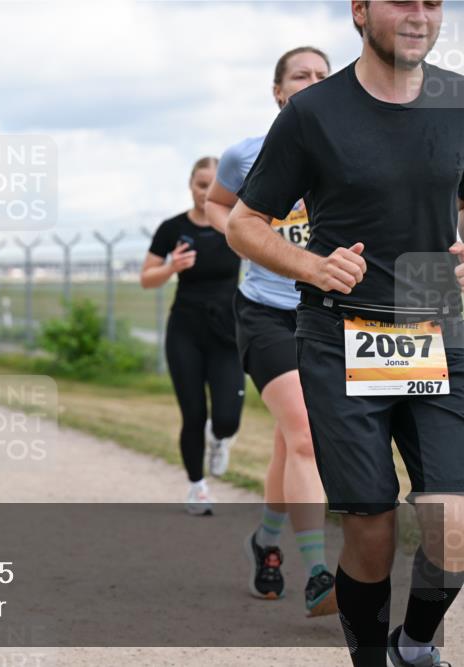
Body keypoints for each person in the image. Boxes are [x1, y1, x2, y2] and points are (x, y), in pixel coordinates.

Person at [227, 2, 464, 664]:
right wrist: (312, 265)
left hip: (436, 318)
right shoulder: (314, 114)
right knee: (372, 528)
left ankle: (415, 644)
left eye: (433, 2)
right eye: (402, 1)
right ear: (360, 10)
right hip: (342, 331)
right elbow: (245, 223)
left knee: (456, 524)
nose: (420, 14)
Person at [206, 46, 337, 616]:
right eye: (300, 75)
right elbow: (219, 204)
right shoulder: (247, 154)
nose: (311, 82)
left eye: (322, 76)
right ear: (278, 91)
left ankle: (265, 541)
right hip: (265, 310)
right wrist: (250, 242)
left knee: (290, 442)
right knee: (306, 435)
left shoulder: (345, 152)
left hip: (324, 312)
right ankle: (318, 574)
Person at [141, 157, 244, 517]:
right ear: (191, 185)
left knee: (228, 417)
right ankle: (197, 487)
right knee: (193, 413)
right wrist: (172, 267)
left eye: (214, 184)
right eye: (201, 185)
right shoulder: (172, 228)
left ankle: (220, 439)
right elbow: (146, 277)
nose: (206, 192)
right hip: (185, 329)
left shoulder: (236, 224)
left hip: (227, 332)